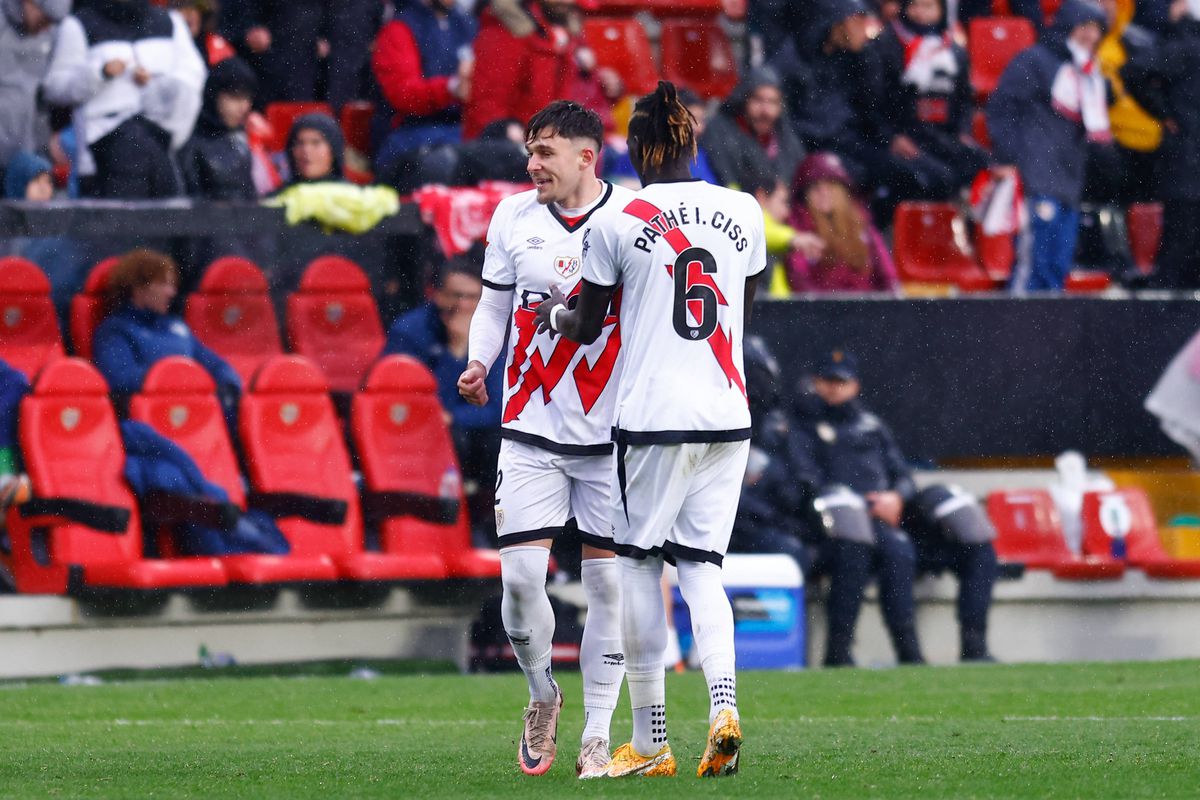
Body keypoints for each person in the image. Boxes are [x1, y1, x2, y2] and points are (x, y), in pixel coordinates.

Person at [535, 80, 765, 779]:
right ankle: (723, 705)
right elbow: (744, 302)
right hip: (727, 413)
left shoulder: (618, 218)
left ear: (634, 149)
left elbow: (585, 325)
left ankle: (652, 737)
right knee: (702, 569)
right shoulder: (744, 210)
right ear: (694, 140)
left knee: (637, 566)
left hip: (654, 416)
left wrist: (551, 312)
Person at [456, 101, 634, 779]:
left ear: (587, 157)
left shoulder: (630, 219)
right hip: (530, 423)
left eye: (547, 152)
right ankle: (541, 696)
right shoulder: (513, 217)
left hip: (611, 433)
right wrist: (480, 360)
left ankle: (596, 733)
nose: (533, 164)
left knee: (609, 590)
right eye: (530, 150)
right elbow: (494, 302)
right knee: (522, 578)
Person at [986, 0, 1110, 292]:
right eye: (1085, 27)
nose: (1090, 36)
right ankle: (1016, 333)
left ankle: (1048, 335)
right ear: (1068, 25)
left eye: (1097, 30)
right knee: (1033, 266)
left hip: (1069, 183)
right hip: (1036, 179)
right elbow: (1002, 107)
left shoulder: (1090, 76)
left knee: (1057, 269)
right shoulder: (1034, 61)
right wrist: (1007, 157)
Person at [384, 256, 502, 543]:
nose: (461, 306)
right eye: (454, 296)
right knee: (454, 438)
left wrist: (456, 416)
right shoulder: (410, 332)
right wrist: (455, 350)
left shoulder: (495, 331)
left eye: (471, 297)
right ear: (436, 295)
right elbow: (400, 402)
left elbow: (500, 407)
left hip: (473, 434)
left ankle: (489, 532)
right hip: (416, 435)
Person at [41, 0, 207, 199]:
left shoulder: (170, 22)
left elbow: (193, 77)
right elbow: (55, 88)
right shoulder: (77, 24)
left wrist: (156, 85)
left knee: (163, 226)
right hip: (101, 158)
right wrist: (100, 74)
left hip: (161, 149)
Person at [92, 249, 242, 413]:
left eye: (172, 285)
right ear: (138, 288)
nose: (171, 293)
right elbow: (118, 379)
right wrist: (177, 378)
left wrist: (228, 383)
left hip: (192, 411)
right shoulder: (115, 330)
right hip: (149, 416)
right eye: (163, 284)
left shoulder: (176, 327)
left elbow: (213, 363)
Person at [873, 0, 988, 199]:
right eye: (914, 5)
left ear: (941, 10)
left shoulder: (954, 50)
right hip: (907, 139)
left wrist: (963, 131)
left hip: (944, 136)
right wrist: (892, 137)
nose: (920, 13)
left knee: (981, 163)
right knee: (936, 176)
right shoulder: (887, 45)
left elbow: (964, 100)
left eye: (928, 6)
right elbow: (875, 101)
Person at [1122, 0, 1200, 289]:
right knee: (1178, 253)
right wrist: (1164, 113)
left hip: (1188, 167)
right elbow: (1134, 71)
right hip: (1188, 168)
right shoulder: (1190, 47)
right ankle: (1160, 324)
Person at [461, 0, 598, 139]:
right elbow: (487, 106)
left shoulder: (560, 37)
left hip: (543, 140)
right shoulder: (505, 33)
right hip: (507, 146)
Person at [370, 0, 476, 175]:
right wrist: (452, 88)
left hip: (463, 129)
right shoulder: (400, 28)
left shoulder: (467, 24)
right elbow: (403, 94)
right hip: (410, 131)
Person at [785, 152, 900, 293]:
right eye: (814, 187)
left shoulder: (861, 224)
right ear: (805, 195)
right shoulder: (799, 230)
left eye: (830, 186)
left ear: (843, 191)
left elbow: (888, 277)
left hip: (868, 308)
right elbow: (801, 282)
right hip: (823, 310)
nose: (823, 192)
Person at [702, 67, 806, 191]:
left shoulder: (787, 139)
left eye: (773, 102)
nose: (765, 111)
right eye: (758, 99)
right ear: (743, 100)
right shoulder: (719, 133)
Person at [0, 0, 70, 174]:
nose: (46, 28)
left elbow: (41, 97)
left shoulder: (49, 34)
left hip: (26, 151)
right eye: (44, 19)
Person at [178, 56, 259, 200]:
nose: (244, 107)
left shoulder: (240, 137)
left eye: (248, 98)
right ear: (214, 95)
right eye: (235, 97)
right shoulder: (190, 142)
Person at [281, 112, 346, 186]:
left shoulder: (353, 195)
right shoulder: (279, 196)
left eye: (315, 143)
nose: (306, 150)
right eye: (299, 143)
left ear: (334, 149)